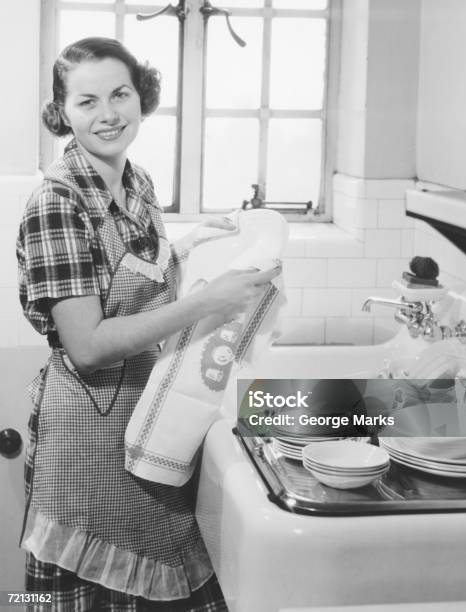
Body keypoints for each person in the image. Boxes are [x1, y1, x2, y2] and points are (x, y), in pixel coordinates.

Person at [17, 37, 280, 612]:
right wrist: (208, 303)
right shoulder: (57, 204)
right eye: (86, 102)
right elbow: (86, 345)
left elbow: (129, 283)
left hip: (147, 413)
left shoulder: (137, 183)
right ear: (62, 112)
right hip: (88, 430)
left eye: (120, 94)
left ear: (142, 98)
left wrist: (193, 247)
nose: (108, 114)